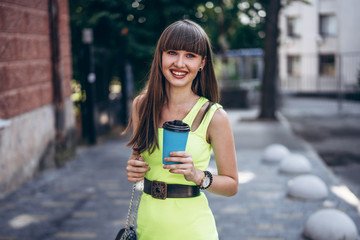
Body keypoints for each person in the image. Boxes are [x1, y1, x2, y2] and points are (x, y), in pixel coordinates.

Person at [124, 19, 238, 240]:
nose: (179, 63)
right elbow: (139, 160)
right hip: (148, 227)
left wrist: (197, 175)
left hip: (194, 231)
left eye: (190, 55)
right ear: (161, 56)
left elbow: (232, 185)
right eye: (172, 52)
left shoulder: (214, 116)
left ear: (202, 62)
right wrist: (133, 169)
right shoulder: (141, 106)